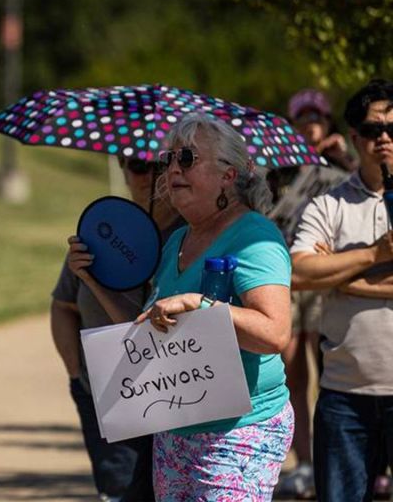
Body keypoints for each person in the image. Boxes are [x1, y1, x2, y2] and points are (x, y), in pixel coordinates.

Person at [68, 113, 293, 500]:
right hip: (175, 432)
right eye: (168, 160)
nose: (172, 169)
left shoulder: (254, 236)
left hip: (240, 430)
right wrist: (92, 280)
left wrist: (198, 303)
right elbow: (150, 335)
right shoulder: (177, 242)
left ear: (228, 175)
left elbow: (275, 333)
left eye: (187, 158)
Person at [51, 155, 181, 502]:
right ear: (122, 170)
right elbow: (63, 306)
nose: (149, 175)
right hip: (103, 394)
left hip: (172, 398)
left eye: (161, 164)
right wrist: (77, 374)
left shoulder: (190, 237)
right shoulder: (99, 230)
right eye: (136, 164)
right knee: (118, 491)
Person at [289, 78, 393, 501]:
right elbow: (297, 273)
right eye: (372, 130)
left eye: (392, 128)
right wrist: (374, 255)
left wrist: (339, 277)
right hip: (343, 398)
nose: (383, 138)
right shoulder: (328, 204)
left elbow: (319, 274)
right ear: (354, 137)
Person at [270, 88, 354, 499]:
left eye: (316, 118)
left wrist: (344, 158)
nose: (310, 125)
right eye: (302, 119)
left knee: (333, 371)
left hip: (328, 280)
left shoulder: (343, 166)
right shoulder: (280, 170)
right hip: (287, 277)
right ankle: (305, 463)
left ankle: (342, 461)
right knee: (293, 373)